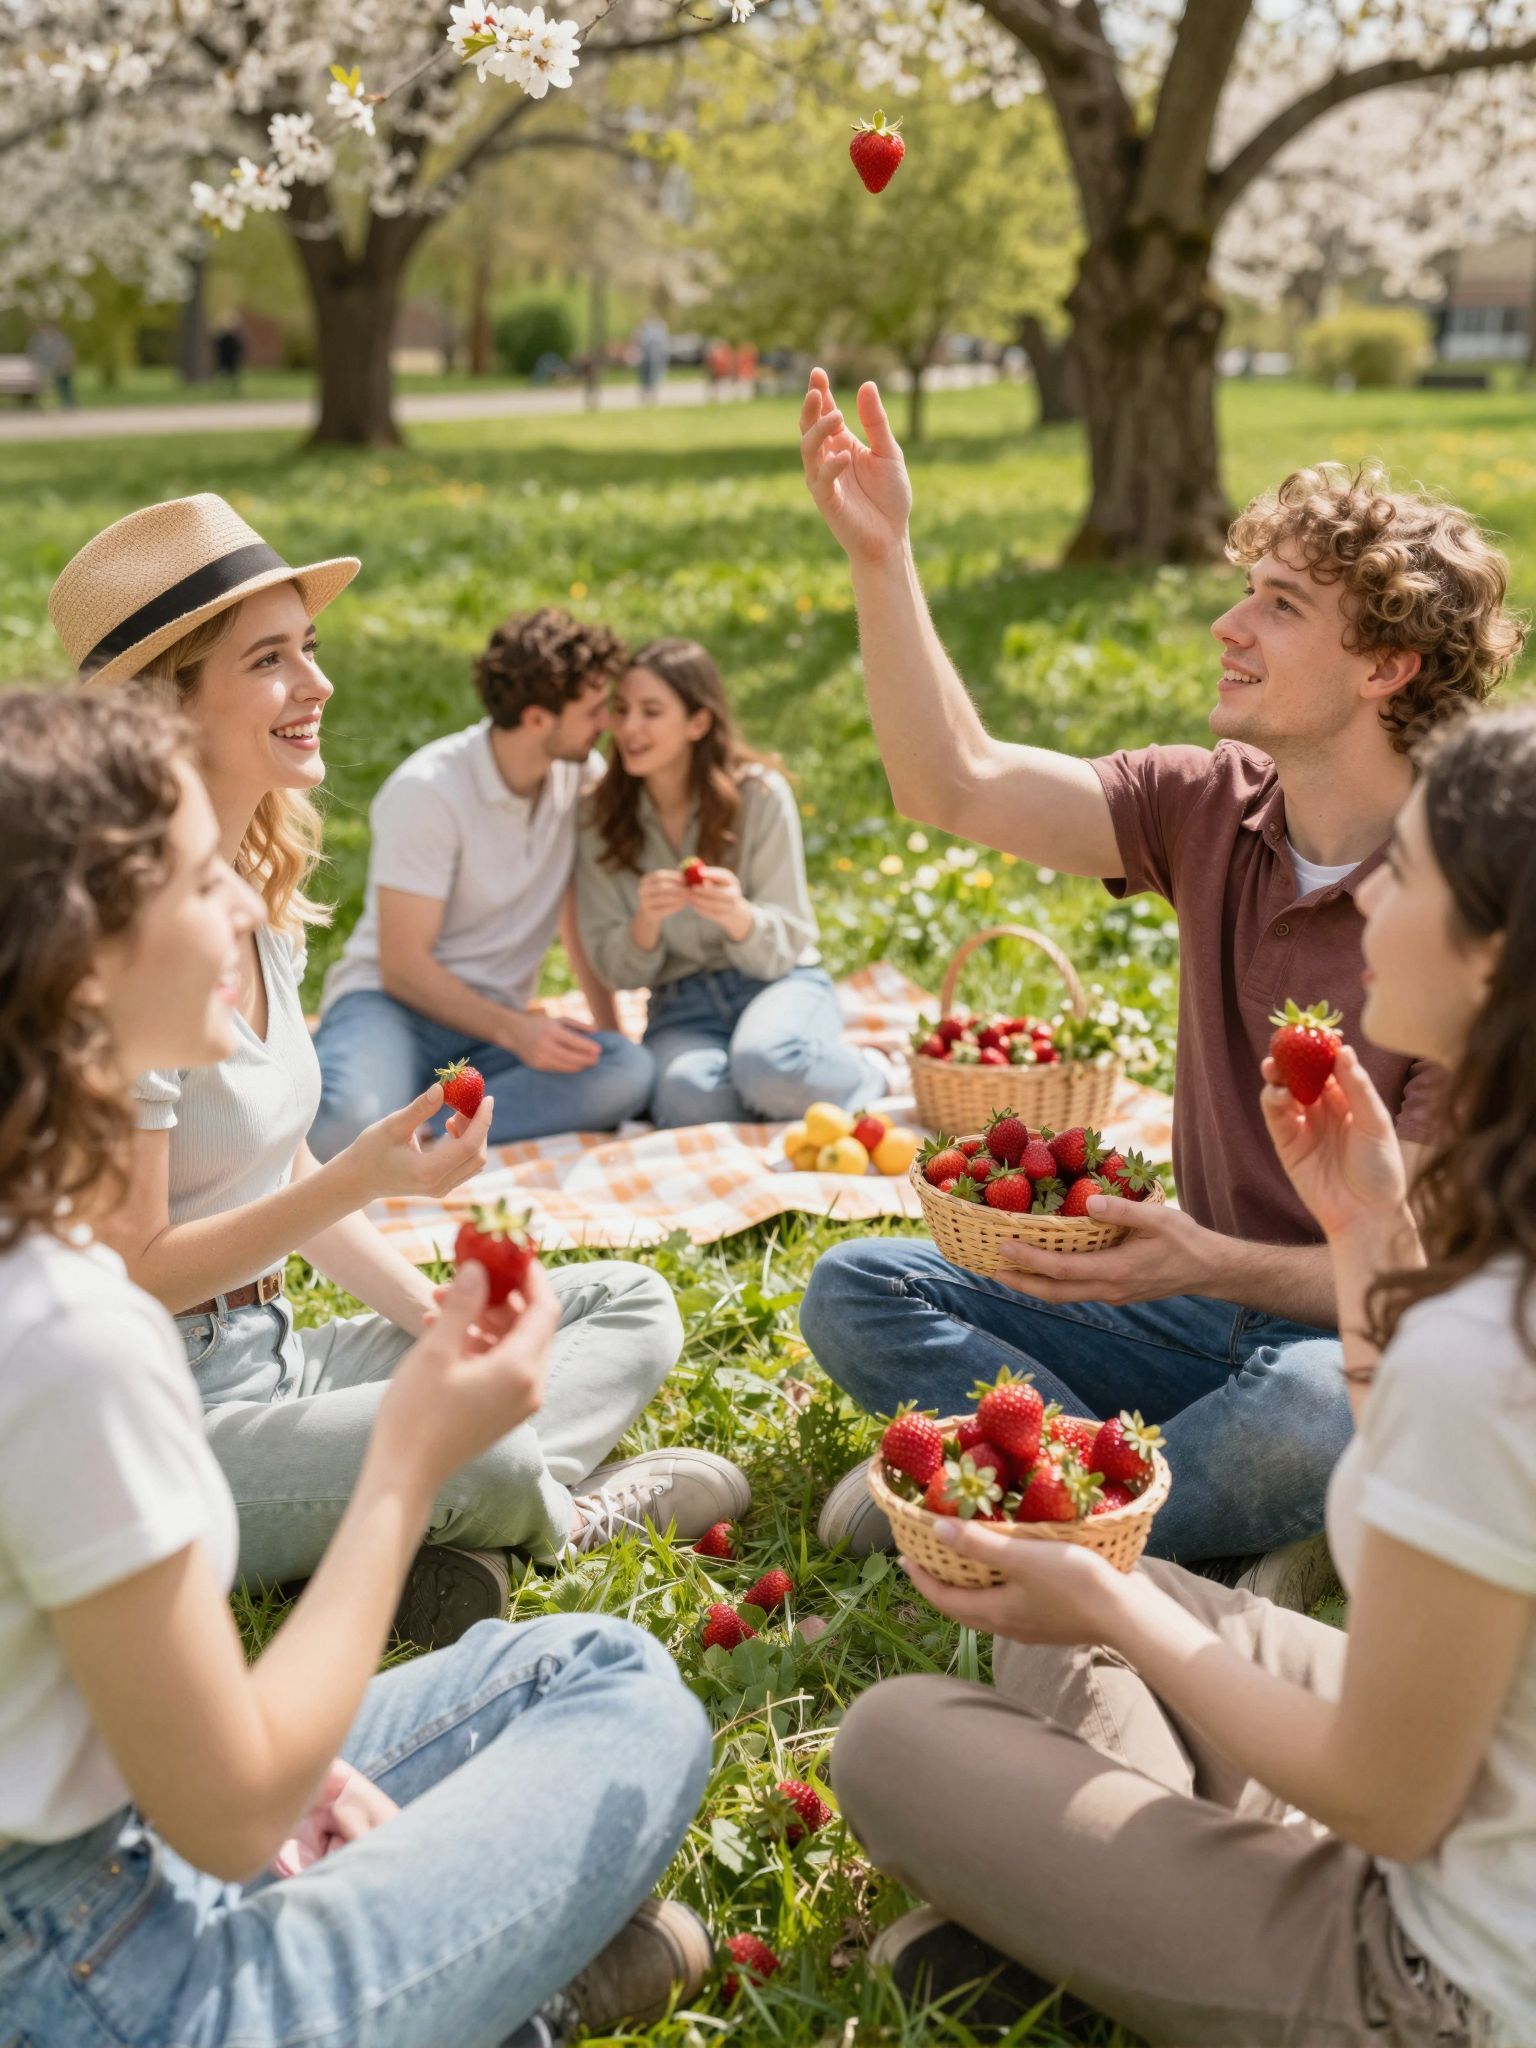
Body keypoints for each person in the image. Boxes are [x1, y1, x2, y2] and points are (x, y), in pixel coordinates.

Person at [0, 686, 715, 2048]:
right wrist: (403, 1465)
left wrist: (265, 1769)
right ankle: (515, 2009)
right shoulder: (72, 1336)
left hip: (101, 1841)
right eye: (200, 881)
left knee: (580, 1667)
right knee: (633, 1711)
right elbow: (234, 1814)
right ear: (85, 962)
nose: (238, 910)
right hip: (110, 1985)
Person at [832, 705, 1536, 2048]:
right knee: (1121, 1577)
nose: (1372, 885)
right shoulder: (1492, 1273)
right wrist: (1368, 1233)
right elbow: (1431, 1497)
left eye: (1416, 869)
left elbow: (1389, 1805)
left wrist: (1108, 1604)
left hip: (1440, 1983)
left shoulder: (1488, 1342)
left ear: (1494, 960)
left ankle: (1102, 1932)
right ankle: (1114, 1915)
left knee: (895, 1736)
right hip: (1482, 1786)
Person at [796, 370, 1524, 1600]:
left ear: (1386, 666)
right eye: (1246, 591)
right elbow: (955, 782)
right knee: (860, 1287)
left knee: (1313, 1414)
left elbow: (1413, 1281)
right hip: (1182, 1309)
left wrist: (1200, 1258)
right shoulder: (1210, 804)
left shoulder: (1471, 904)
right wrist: (883, 554)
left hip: (1341, 1340)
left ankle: (1044, 1521)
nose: (1228, 626)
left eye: (1280, 605)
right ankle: (1161, 1516)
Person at [47, 497, 746, 1650]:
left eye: (307, 648)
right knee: (484, 1437)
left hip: (273, 1352)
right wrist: (365, 1177)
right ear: (165, 707)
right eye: (269, 660)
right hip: (159, 1419)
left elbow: (278, 1164)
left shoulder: (254, 894)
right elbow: (132, 1271)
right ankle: (550, 1505)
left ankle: (455, 1520)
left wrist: (434, 1320)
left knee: (626, 1304)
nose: (316, 683)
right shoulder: (123, 942)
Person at [311, 607, 654, 1155]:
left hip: (485, 1039)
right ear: (539, 719)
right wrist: (516, 1032)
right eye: (593, 710)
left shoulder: (580, 777)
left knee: (628, 1071)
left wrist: (609, 1030)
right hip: (393, 1009)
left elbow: (575, 916)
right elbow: (403, 968)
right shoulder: (429, 791)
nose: (607, 723)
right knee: (338, 1126)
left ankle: (421, 1131)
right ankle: (373, 1096)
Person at [575, 636, 890, 1128]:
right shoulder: (597, 817)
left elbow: (788, 938)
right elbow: (619, 972)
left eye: (651, 711)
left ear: (698, 722)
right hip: (679, 1007)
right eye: (622, 708)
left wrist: (738, 917)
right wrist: (645, 922)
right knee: (684, 1099)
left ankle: (866, 1071)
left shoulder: (760, 796)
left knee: (767, 1064)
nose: (629, 727)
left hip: (774, 982)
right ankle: (786, 1093)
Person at [27, 319, 76, 406]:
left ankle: (68, 402)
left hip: (59, 367)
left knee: (64, 376)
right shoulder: (38, 340)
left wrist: (65, 362)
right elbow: (33, 354)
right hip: (44, 368)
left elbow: (68, 351)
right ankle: (61, 402)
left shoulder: (60, 338)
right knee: (50, 378)